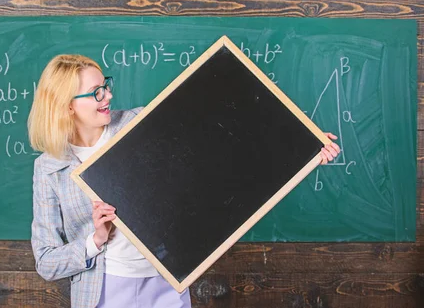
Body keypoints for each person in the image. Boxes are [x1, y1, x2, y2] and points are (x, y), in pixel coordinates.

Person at [27, 54, 340, 308]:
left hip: (166, 283)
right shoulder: (49, 168)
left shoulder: (140, 123)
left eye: (105, 86)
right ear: (69, 106)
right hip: (104, 291)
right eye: (96, 93)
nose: (108, 95)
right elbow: (46, 262)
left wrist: (304, 143)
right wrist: (94, 240)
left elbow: (225, 141)